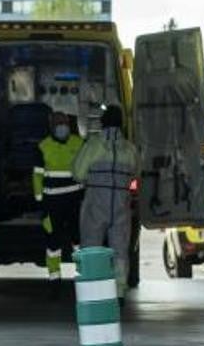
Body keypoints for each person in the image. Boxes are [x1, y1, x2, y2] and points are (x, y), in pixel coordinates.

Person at [72, 105, 140, 302]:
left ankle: (91, 290)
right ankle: (118, 293)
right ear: (121, 123)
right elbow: (136, 173)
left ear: (102, 123)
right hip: (121, 206)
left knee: (90, 247)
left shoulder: (94, 145)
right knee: (120, 251)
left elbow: (77, 173)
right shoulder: (129, 148)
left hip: (96, 204)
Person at [33, 111, 85, 293]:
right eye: (57, 123)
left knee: (78, 240)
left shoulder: (79, 144)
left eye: (64, 122)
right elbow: (37, 176)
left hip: (74, 202)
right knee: (53, 243)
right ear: (51, 126)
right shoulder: (43, 146)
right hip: (52, 203)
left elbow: (86, 170)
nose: (61, 126)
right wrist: (41, 204)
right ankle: (54, 279)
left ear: (69, 125)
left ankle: (83, 276)